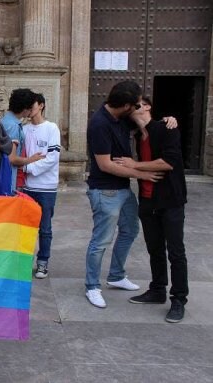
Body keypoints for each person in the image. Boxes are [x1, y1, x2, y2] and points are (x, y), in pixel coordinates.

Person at [84, 80, 164, 309]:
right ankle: (92, 286)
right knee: (101, 241)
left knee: (130, 230)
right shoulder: (99, 124)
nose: (139, 107)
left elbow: (146, 123)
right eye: (136, 104)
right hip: (105, 190)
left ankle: (116, 275)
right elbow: (106, 165)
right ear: (126, 105)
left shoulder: (122, 118)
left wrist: (167, 120)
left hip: (123, 189)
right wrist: (142, 174)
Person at [115, 96, 188, 323]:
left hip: (171, 200)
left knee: (175, 251)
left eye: (137, 104)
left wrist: (134, 165)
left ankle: (178, 300)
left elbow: (168, 162)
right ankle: (157, 290)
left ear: (147, 107)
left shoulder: (166, 128)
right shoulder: (137, 136)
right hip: (148, 200)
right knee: (154, 248)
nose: (132, 108)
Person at [20, 93, 61, 279]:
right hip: (27, 187)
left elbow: (52, 157)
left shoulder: (52, 128)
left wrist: (27, 167)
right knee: (25, 227)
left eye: (33, 104)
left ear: (42, 105)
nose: (30, 109)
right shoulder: (23, 129)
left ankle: (43, 262)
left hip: (46, 187)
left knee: (45, 228)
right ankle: (24, 261)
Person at [0, 88, 45, 193]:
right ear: (25, 109)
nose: (30, 112)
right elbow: (12, 158)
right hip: (8, 181)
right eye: (30, 108)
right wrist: (32, 159)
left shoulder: (4, 121)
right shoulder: (13, 126)